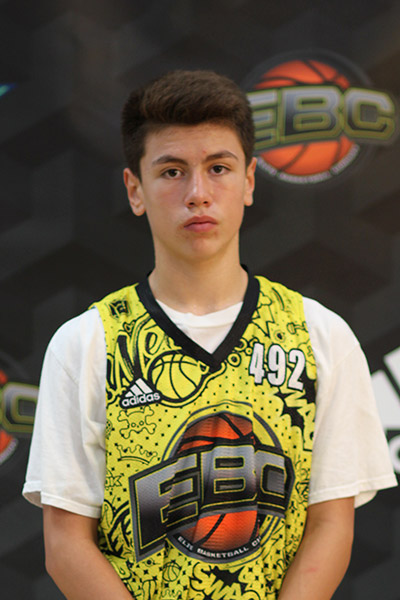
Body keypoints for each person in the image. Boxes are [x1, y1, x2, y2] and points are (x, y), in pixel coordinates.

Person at [23, 69, 396, 600]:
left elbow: (331, 525)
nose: (198, 193)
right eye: (171, 171)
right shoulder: (86, 343)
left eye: (218, 168)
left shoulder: (321, 335)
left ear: (249, 181)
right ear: (135, 189)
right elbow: (65, 543)